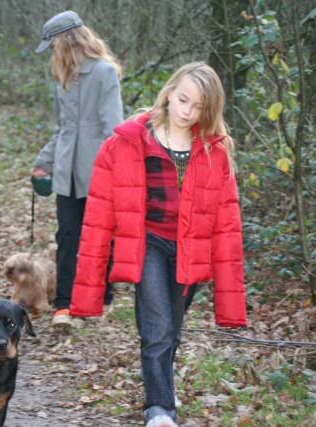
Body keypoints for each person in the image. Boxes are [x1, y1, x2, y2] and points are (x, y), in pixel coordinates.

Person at [69, 62, 248, 427]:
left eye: (198, 107)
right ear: (169, 92)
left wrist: (230, 298)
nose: (188, 111)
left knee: (173, 329)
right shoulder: (128, 143)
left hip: (190, 251)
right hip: (146, 243)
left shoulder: (215, 151)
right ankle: (160, 409)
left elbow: (228, 223)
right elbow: (99, 215)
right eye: (183, 100)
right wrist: (88, 286)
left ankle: (160, 384)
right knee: (157, 327)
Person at [31, 10, 123, 328]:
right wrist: (44, 162)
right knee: (67, 236)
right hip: (66, 175)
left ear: (67, 40)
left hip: (99, 172)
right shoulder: (62, 79)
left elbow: (114, 129)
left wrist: (113, 172)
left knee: (99, 238)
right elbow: (62, 129)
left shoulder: (104, 73)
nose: (53, 53)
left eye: (54, 45)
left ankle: (102, 298)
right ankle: (64, 305)